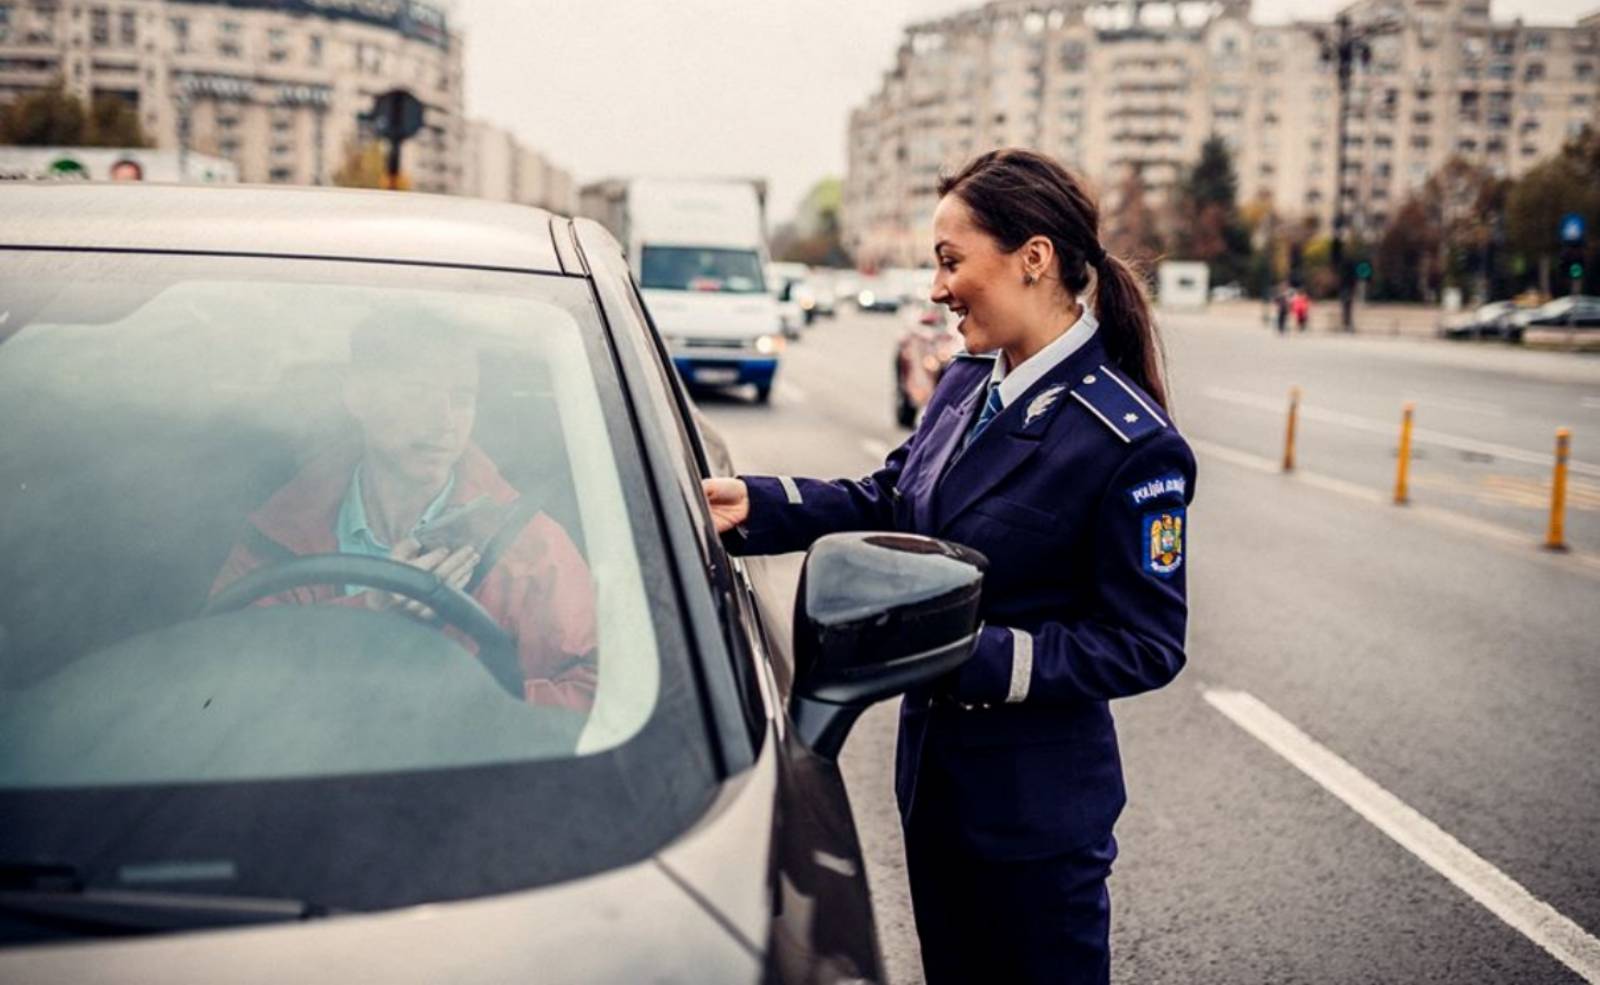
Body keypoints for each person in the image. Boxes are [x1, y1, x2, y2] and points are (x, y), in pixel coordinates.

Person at [703, 148, 1195, 984]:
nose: (935, 287)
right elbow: (895, 496)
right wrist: (756, 504)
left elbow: (1145, 641)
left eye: (949, 261)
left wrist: (965, 648)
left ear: (1032, 258)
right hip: (938, 792)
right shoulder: (969, 383)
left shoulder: (1126, 442)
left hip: (1037, 823)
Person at [211, 318, 597, 710]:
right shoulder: (282, 528)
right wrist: (369, 610)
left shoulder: (528, 545)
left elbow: (597, 691)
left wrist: (468, 708)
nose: (445, 423)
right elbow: (216, 673)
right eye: (417, 394)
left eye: (462, 398)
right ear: (358, 396)